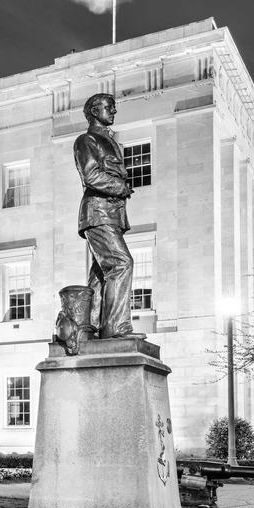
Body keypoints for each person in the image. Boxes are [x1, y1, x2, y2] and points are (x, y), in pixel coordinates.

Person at [73, 93, 145, 339]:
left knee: (101, 273)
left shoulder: (108, 141)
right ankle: (116, 327)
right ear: (94, 111)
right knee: (121, 263)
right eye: (109, 107)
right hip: (98, 212)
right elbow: (91, 176)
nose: (113, 111)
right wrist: (121, 188)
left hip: (111, 214)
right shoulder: (86, 140)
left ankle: (88, 325)